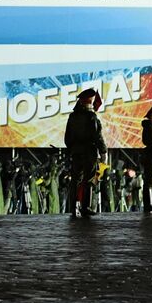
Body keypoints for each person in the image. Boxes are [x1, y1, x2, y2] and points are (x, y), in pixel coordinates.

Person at [64, 89, 107, 218]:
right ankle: (85, 207)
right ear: (90, 101)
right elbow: (97, 136)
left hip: (76, 153)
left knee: (76, 180)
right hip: (89, 153)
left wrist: (73, 149)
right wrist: (103, 151)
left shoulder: (72, 116)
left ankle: (73, 207)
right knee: (88, 179)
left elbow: (67, 138)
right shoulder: (91, 117)